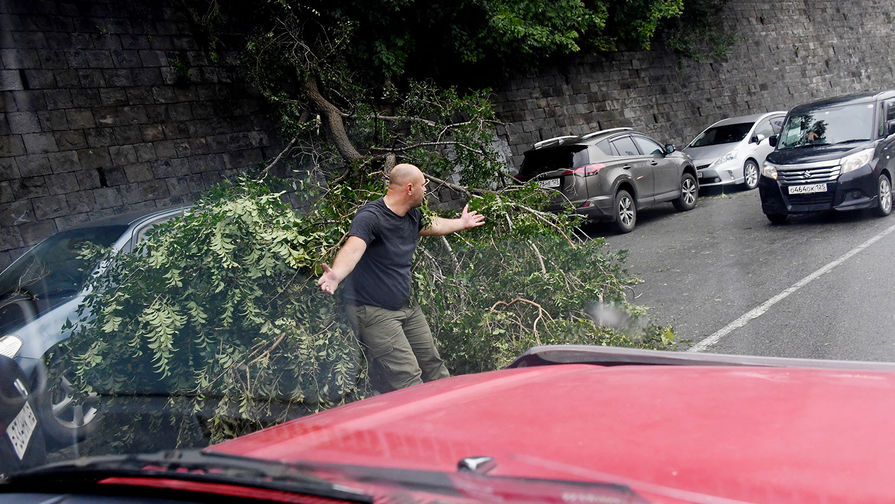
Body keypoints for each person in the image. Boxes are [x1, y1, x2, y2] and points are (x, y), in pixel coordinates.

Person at [317, 163, 485, 392]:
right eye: (424, 186)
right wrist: (336, 275)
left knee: (434, 365)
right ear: (409, 188)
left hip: (407, 306)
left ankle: (453, 412)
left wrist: (462, 223)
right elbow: (353, 248)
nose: (426, 190)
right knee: (408, 377)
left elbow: (432, 225)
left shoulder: (411, 216)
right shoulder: (371, 217)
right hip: (374, 311)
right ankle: (422, 424)